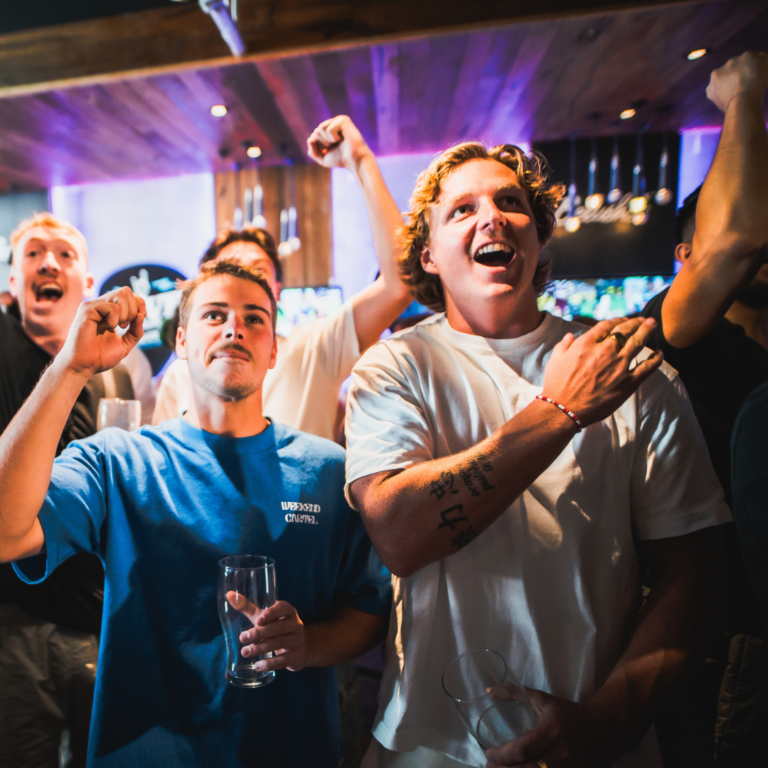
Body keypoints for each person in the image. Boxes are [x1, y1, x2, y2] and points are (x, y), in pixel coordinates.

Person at [342, 58, 758, 767]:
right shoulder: (396, 367)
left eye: (510, 203)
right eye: (462, 209)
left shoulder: (628, 367)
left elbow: (697, 577)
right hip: (425, 746)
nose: (491, 217)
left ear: (538, 239)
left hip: (597, 746)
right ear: (429, 255)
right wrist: (560, 409)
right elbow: (401, 535)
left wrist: (610, 720)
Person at [0, 258, 391, 767]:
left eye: (254, 318)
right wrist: (70, 368)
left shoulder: (328, 470)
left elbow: (370, 610)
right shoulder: (119, 461)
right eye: (214, 314)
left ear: (274, 349)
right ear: (181, 341)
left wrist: (308, 644)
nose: (234, 328)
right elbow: (6, 532)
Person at [639, 51, 768, 764]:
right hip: (733, 648)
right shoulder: (686, 334)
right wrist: (743, 99)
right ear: (689, 254)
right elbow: (737, 241)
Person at [153, 114, 412, 440]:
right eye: (229, 270)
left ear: (275, 292)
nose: (243, 281)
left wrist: (360, 161)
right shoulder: (181, 375)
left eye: (257, 273)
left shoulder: (314, 349)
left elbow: (399, 283)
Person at [0, 213, 131, 768]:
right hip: (13, 619)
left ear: (88, 283)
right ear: (12, 282)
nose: (49, 264)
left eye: (64, 255)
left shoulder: (116, 374)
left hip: (96, 617)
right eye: (32, 254)